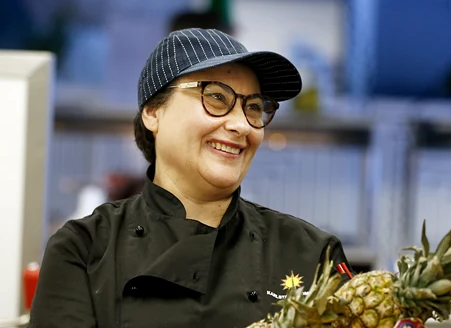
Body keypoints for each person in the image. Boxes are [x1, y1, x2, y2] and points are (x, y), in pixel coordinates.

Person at [30, 28, 351, 327]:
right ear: (153, 111)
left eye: (254, 107)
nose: (242, 125)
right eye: (216, 97)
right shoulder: (85, 250)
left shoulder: (311, 254)